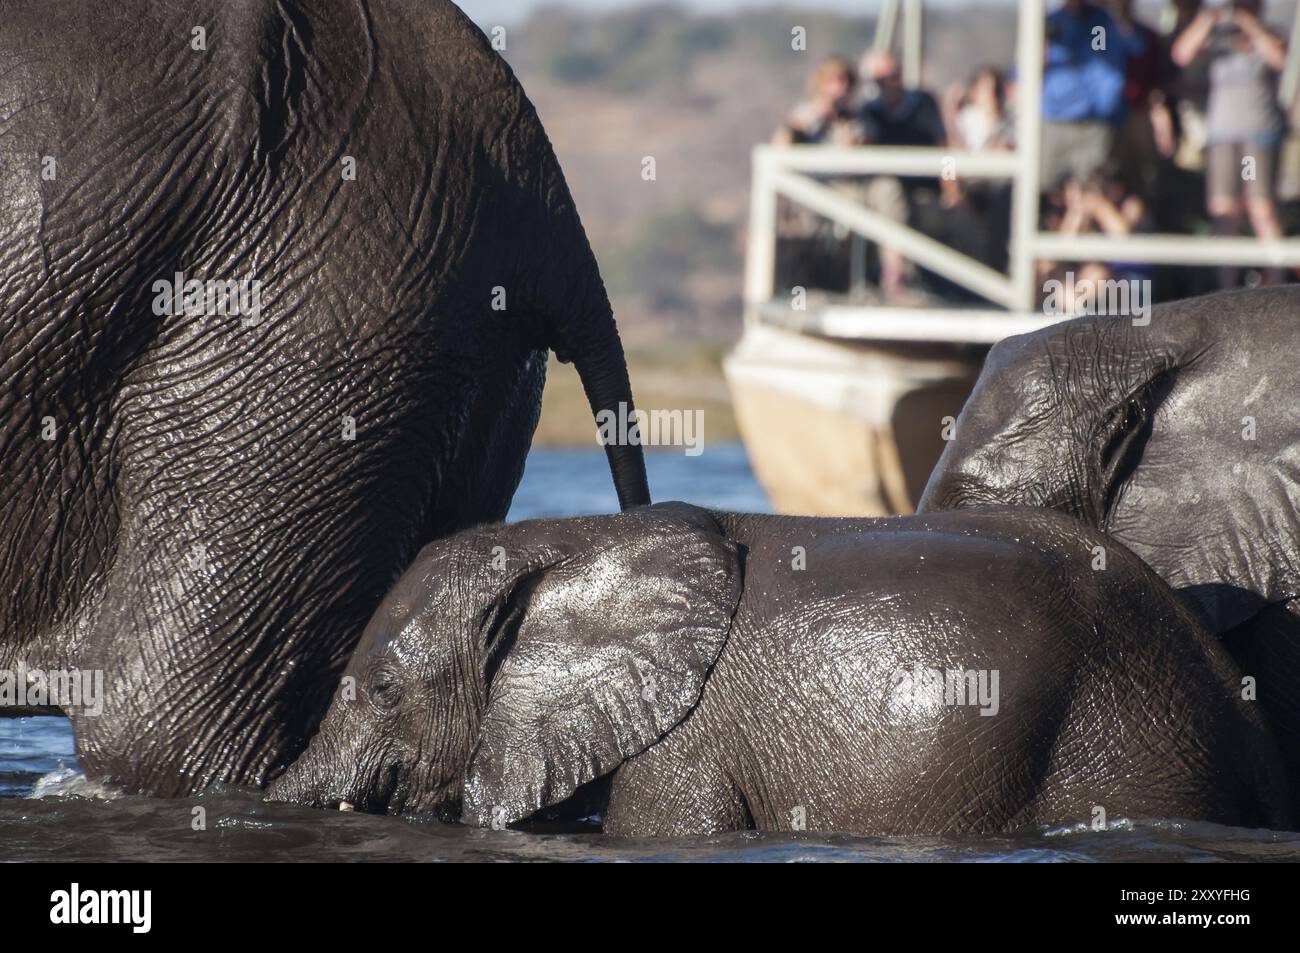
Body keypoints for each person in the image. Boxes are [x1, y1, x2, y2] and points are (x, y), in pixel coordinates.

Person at [1172, 0, 1287, 287]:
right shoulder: (1217, 35)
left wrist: (1249, 23)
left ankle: (1279, 283)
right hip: (1222, 134)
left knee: (1261, 209)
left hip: (1258, 134)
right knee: (1224, 211)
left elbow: (1279, 59)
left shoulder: (1269, 32)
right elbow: (1181, 54)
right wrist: (1208, 19)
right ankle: (1227, 287)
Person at [1041, 0, 1148, 190]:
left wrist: (1116, 12)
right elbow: (1029, 68)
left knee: (1093, 189)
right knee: (1044, 186)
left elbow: (1128, 48)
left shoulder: (1101, 24)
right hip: (1056, 122)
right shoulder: (1050, 24)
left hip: (1095, 125)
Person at [774, 57, 864, 146]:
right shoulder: (805, 113)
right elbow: (782, 140)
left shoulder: (853, 118)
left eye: (848, 83)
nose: (844, 88)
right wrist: (815, 118)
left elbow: (857, 146)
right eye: (839, 81)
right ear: (823, 83)